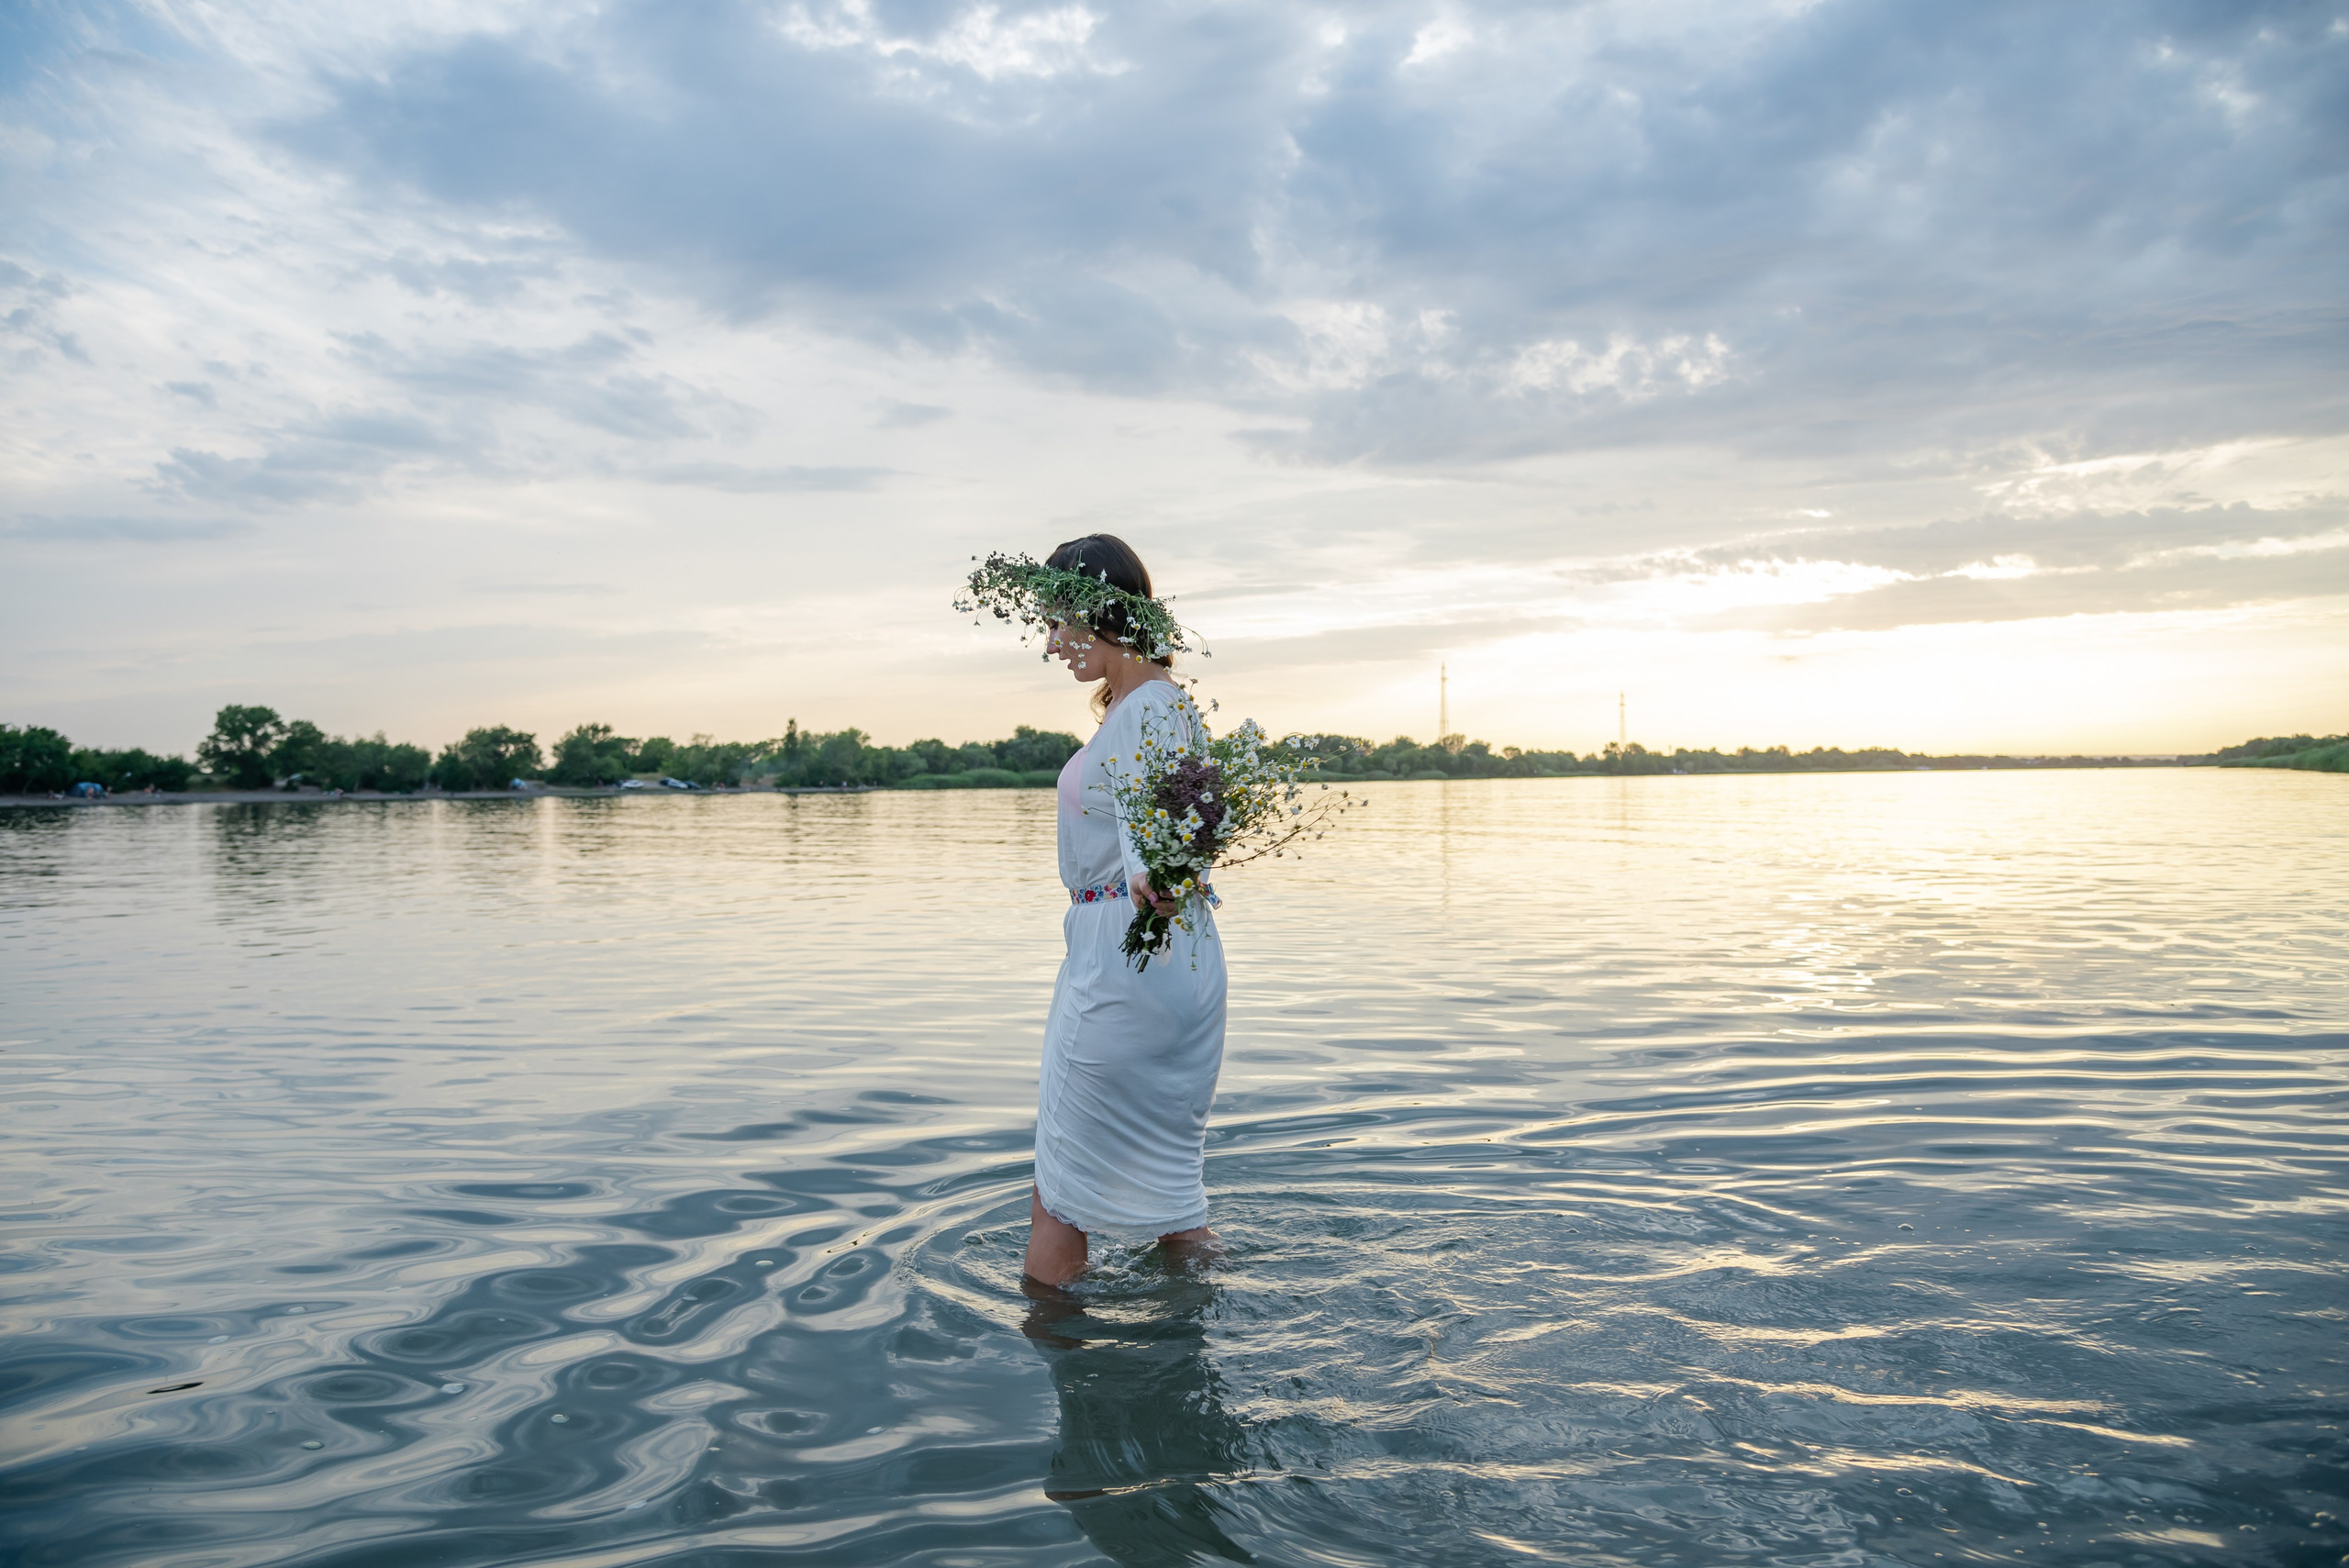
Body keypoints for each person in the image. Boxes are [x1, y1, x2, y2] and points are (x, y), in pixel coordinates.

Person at [1025, 534, 1228, 1286]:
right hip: (1172, 958)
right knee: (1174, 1201)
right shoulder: (1162, 706)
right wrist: (1163, 873)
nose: (1050, 644)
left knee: (1057, 1193)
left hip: (1126, 956)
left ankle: (1061, 1370)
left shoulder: (1145, 710)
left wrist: (1154, 878)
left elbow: (1154, 843)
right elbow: (1179, 830)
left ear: (1098, 609)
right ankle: (1204, 1328)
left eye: (1057, 622)